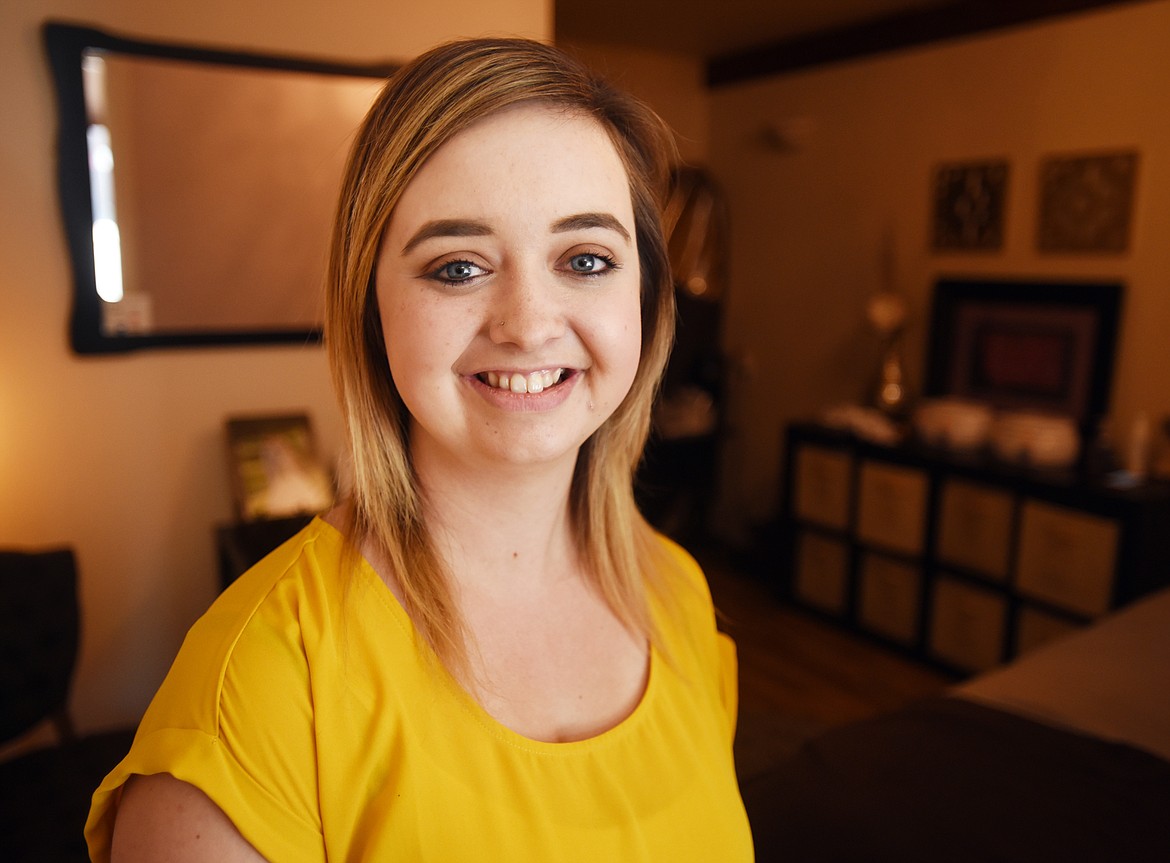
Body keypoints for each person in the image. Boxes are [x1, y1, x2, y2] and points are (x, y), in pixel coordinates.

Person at [85, 37, 752, 861]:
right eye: (458, 267)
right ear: (371, 306)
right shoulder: (259, 683)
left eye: (586, 259)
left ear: (643, 300)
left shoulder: (679, 600)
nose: (531, 323)